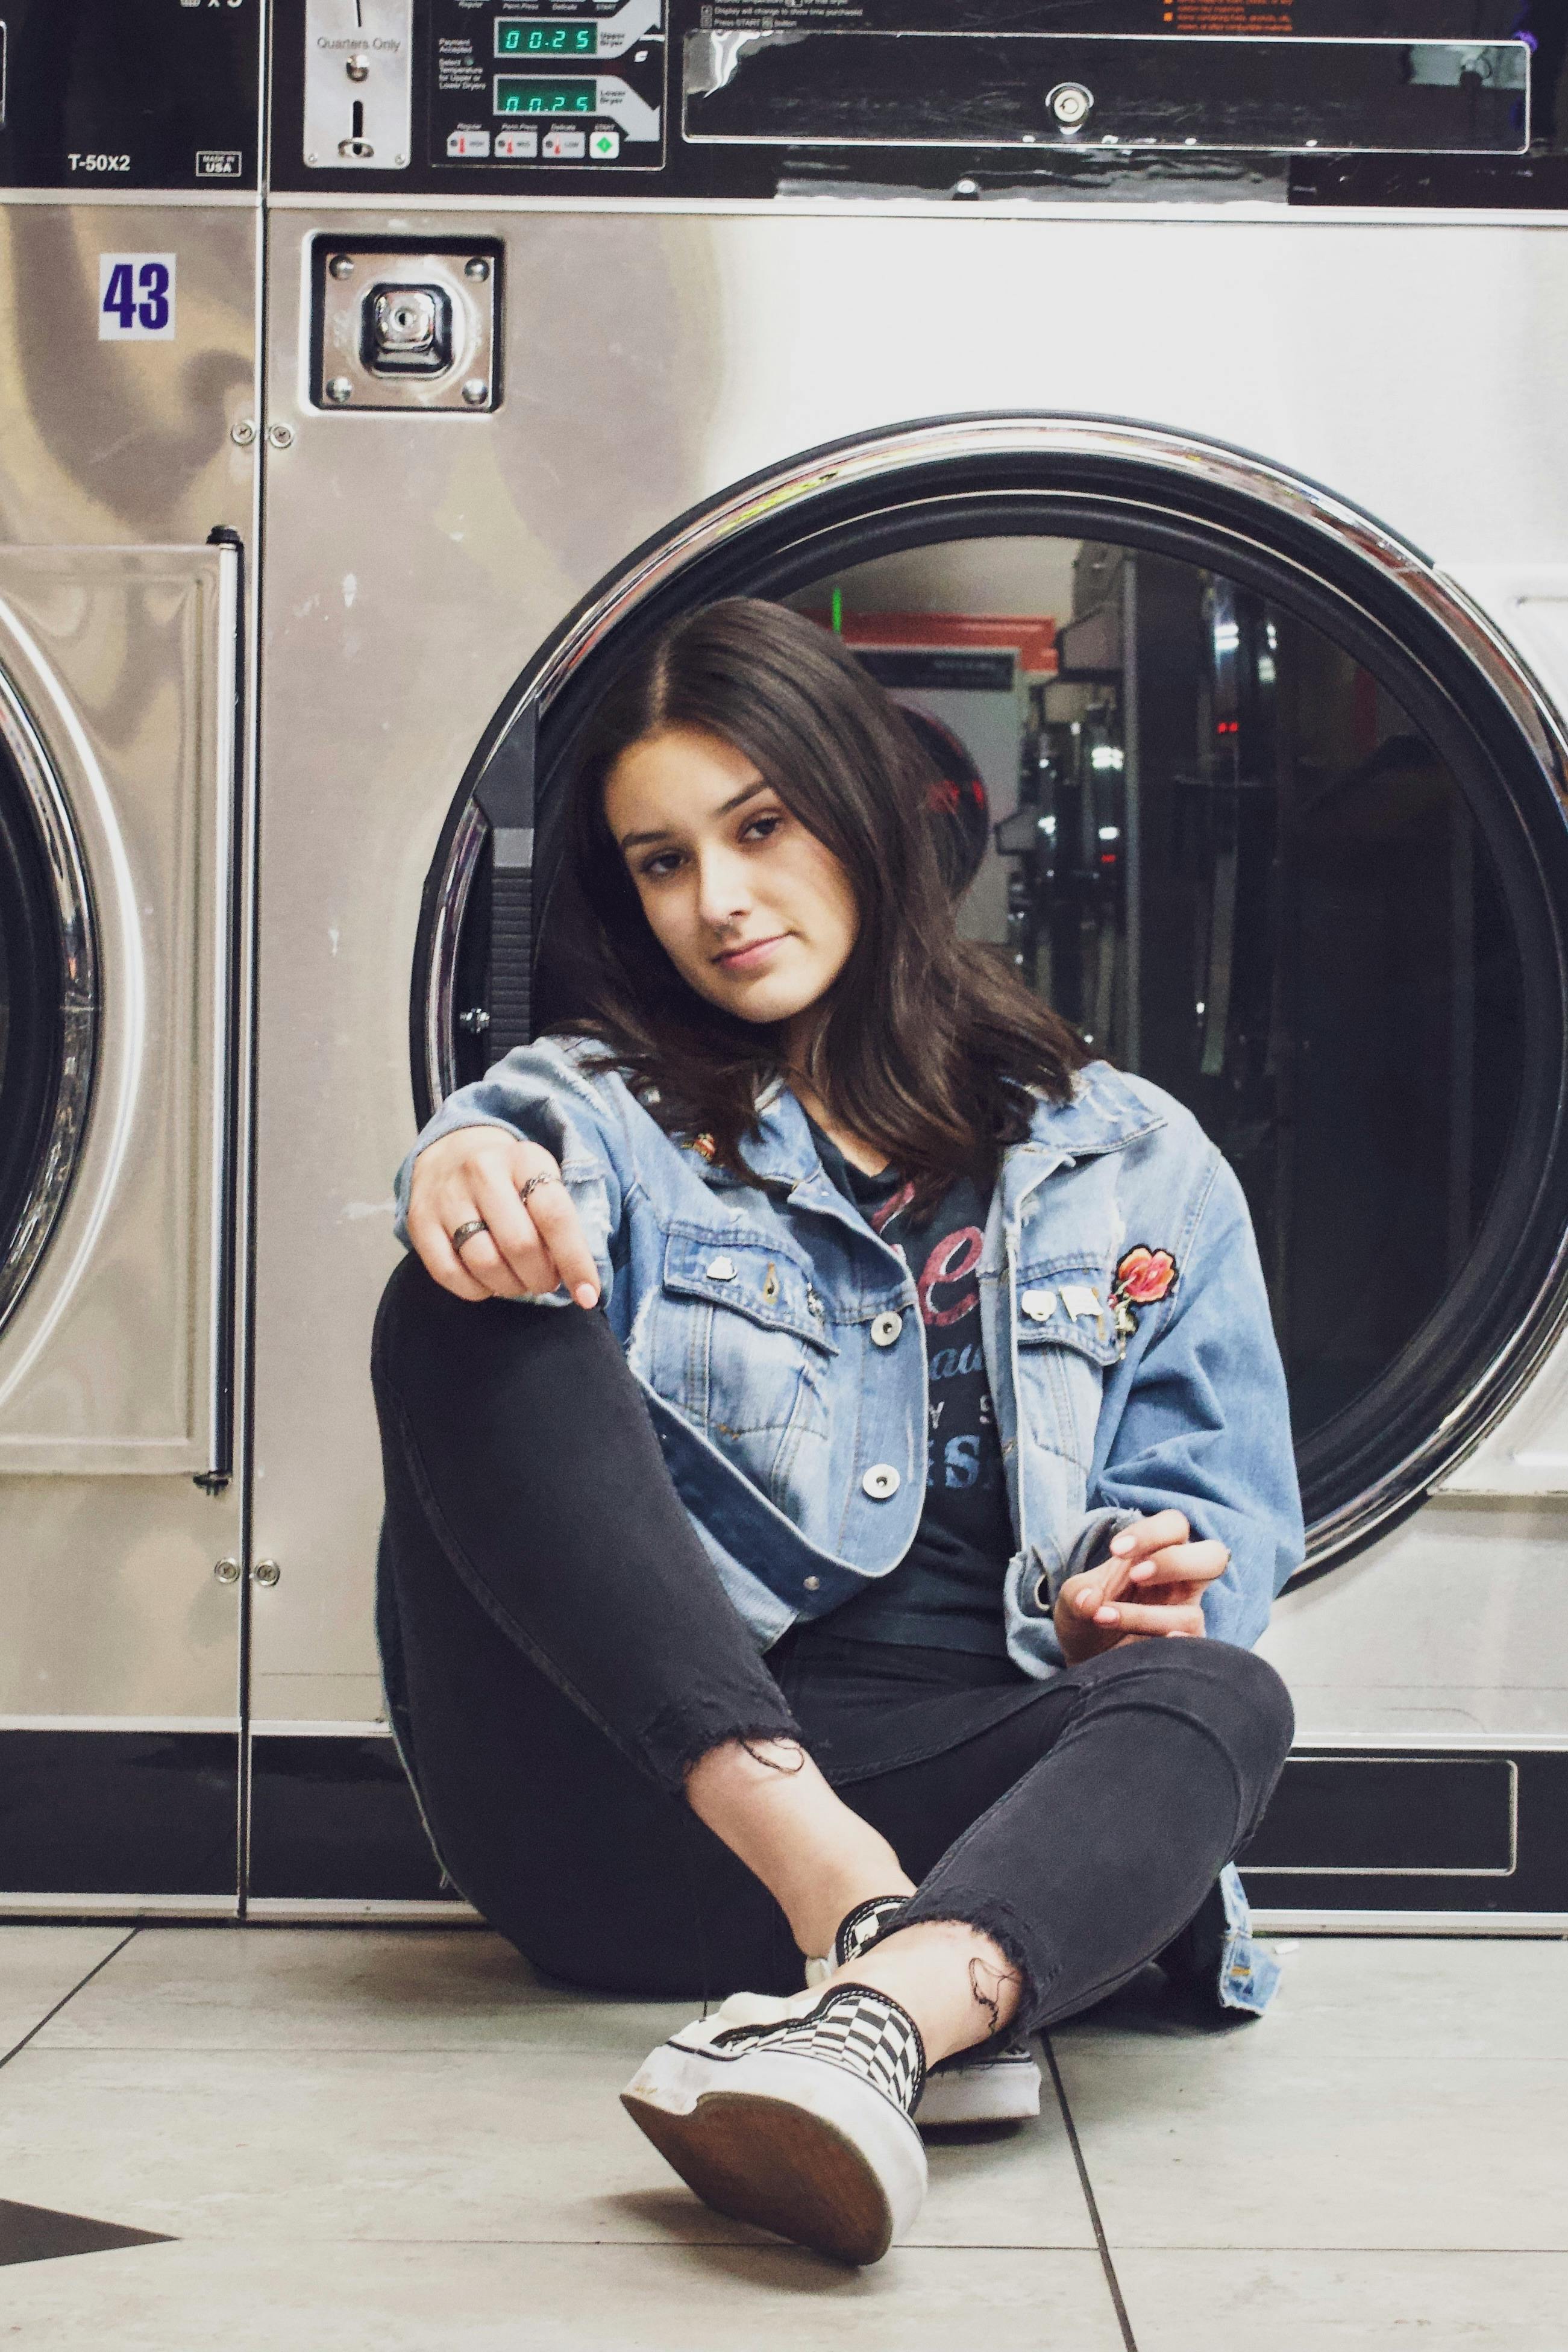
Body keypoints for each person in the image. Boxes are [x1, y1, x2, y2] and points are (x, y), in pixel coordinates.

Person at [373, 598, 1301, 2268]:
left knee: (1222, 1689)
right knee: (461, 1303)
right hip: (632, 1808)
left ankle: (872, 2026)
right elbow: (513, 1144)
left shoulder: (1137, 1164)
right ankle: (845, 1904)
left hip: (954, 1804)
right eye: (659, 863)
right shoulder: (608, 1112)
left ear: (864, 810)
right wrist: (462, 1164)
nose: (716, 901)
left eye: (757, 827)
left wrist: (1125, 1592)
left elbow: (1206, 1515)